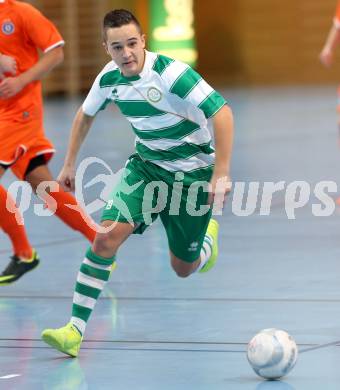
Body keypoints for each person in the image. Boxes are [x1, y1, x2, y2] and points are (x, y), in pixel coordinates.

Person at [41, 8, 233, 357]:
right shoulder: (109, 78)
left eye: (132, 43)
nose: (126, 53)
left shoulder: (171, 74)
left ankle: (206, 243)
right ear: (106, 47)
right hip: (146, 169)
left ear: (143, 41)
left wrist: (220, 173)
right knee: (105, 238)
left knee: (183, 268)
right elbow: (85, 115)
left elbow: (221, 111)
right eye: (117, 47)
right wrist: (69, 162)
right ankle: (74, 330)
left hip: (191, 176)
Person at [0, 0, 96, 285]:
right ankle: (100, 242)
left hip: (19, 114)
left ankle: (24, 251)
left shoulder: (20, 13)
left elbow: (56, 53)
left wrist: (21, 80)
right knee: (43, 186)